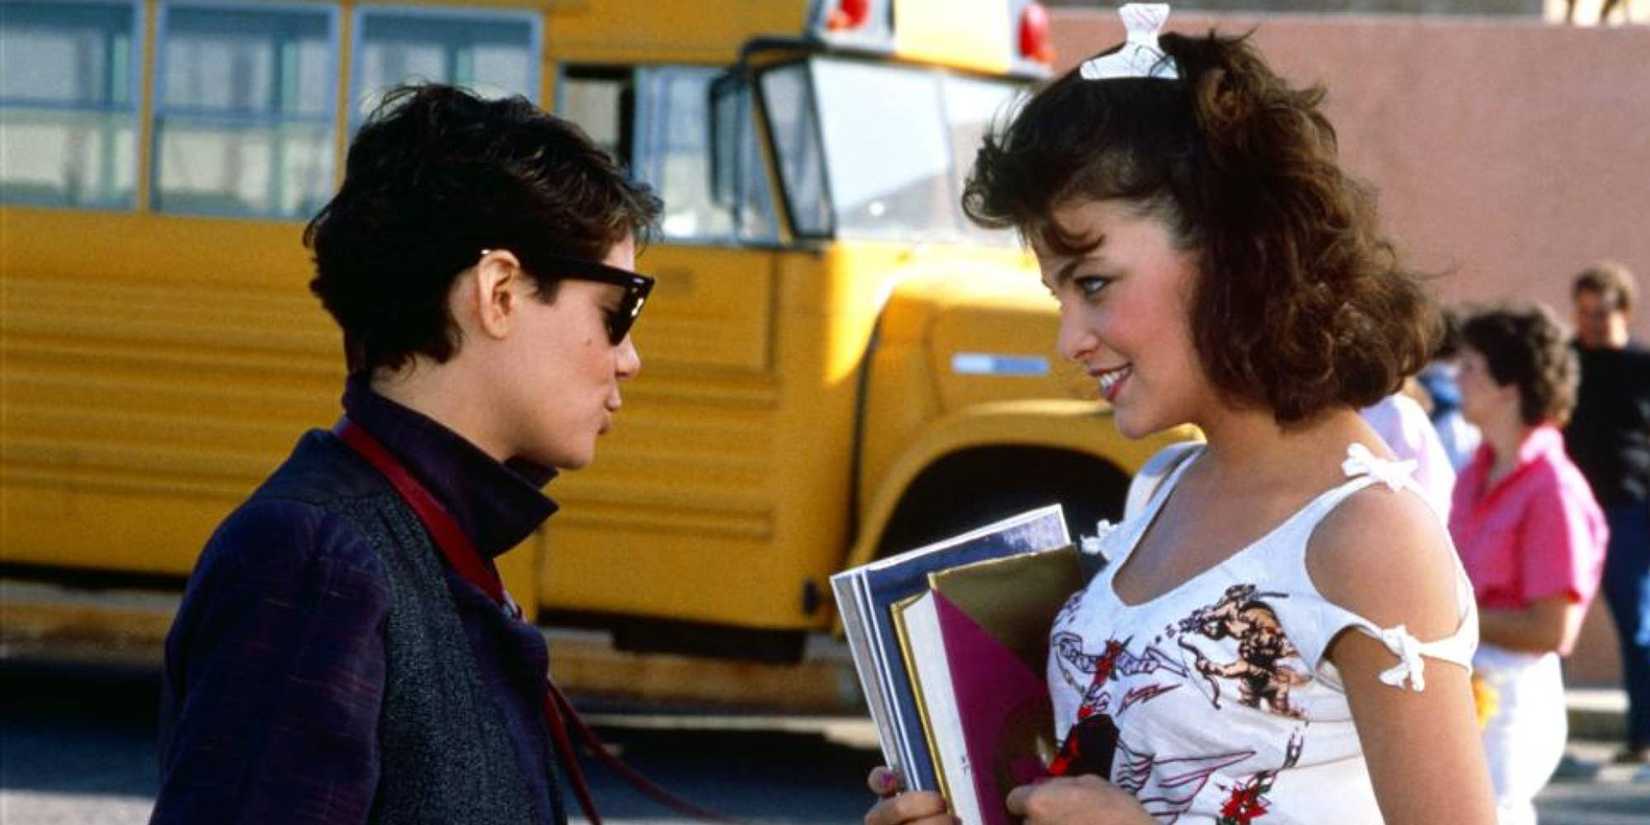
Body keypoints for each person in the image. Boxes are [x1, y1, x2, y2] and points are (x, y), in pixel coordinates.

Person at [863, 5, 1495, 824]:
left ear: (1236, 250)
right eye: (1057, 293)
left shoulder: (1365, 536)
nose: (1070, 339)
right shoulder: (1163, 486)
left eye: (1093, 283)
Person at [150, 84, 661, 824]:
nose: (630, 359)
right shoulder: (318, 559)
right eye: (616, 313)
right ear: (501, 293)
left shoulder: (422, 546)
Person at [1450, 304, 1609, 825]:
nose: (1458, 378)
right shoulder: (1474, 474)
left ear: (1509, 387)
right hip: (1469, 683)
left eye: (1471, 366)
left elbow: (1550, 628)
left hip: (1512, 698)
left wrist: (1451, 620)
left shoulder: (1552, 489)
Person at [1563, 261, 1650, 765]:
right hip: (1570, 513)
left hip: (1626, 512)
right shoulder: (1568, 363)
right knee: (1553, 627)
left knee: (1638, 628)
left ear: (1623, 311)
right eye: (1584, 313)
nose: (1592, 323)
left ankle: (1643, 737)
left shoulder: (1641, 368)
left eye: (1601, 313)